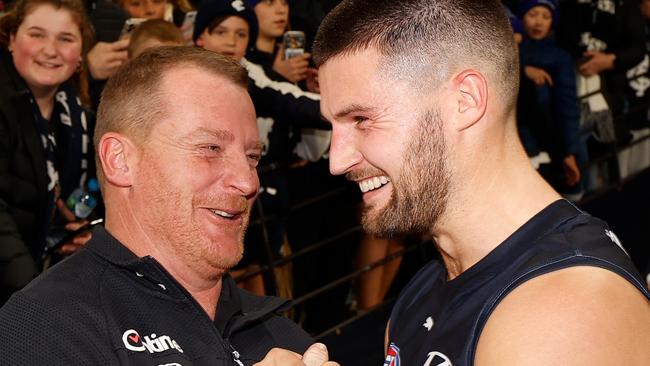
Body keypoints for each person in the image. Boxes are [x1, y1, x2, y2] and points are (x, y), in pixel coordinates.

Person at [311, 0, 650, 365]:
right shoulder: (423, 289)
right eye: (334, 125)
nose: (337, 160)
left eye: (361, 118)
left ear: (465, 100)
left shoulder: (560, 313)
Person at [0, 45, 337, 366]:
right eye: (210, 148)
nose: (248, 182)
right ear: (120, 161)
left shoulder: (287, 340)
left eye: (252, 156)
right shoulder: (41, 327)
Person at [193, 0, 330, 296]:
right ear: (199, 38)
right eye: (221, 32)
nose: (231, 41)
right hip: (199, 203)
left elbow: (289, 100)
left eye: (241, 34)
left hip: (259, 205)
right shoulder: (181, 76)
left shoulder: (249, 74)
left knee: (254, 276)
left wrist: (345, 108)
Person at [0, 0, 96, 304]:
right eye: (37, 35)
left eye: (65, 39)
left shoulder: (78, 115)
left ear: (81, 52)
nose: (50, 49)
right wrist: (34, 298)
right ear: (12, 40)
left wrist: (85, 233)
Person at [517, 0, 587, 201]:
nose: (539, 22)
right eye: (533, 14)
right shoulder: (513, 51)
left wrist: (569, 152)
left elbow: (567, 107)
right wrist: (523, 70)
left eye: (546, 16)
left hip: (546, 144)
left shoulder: (559, 57)